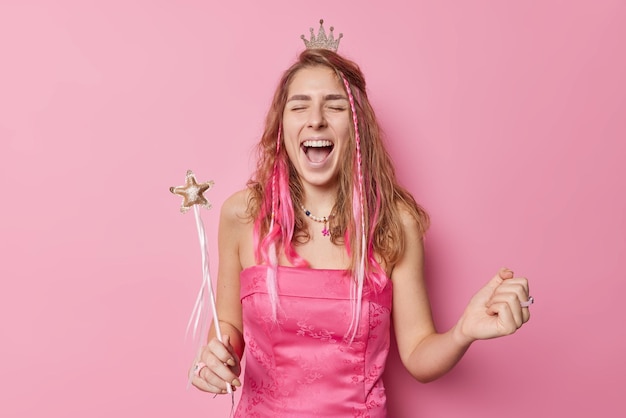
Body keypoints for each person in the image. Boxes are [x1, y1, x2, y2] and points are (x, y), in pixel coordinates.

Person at [190, 20, 532, 417]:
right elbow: (227, 327)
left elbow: (419, 355)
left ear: (357, 127)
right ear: (281, 126)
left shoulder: (394, 222)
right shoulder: (242, 214)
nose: (315, 119)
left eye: (334, 106)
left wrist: (463, 332)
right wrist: (216, 356)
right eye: (299, 105)